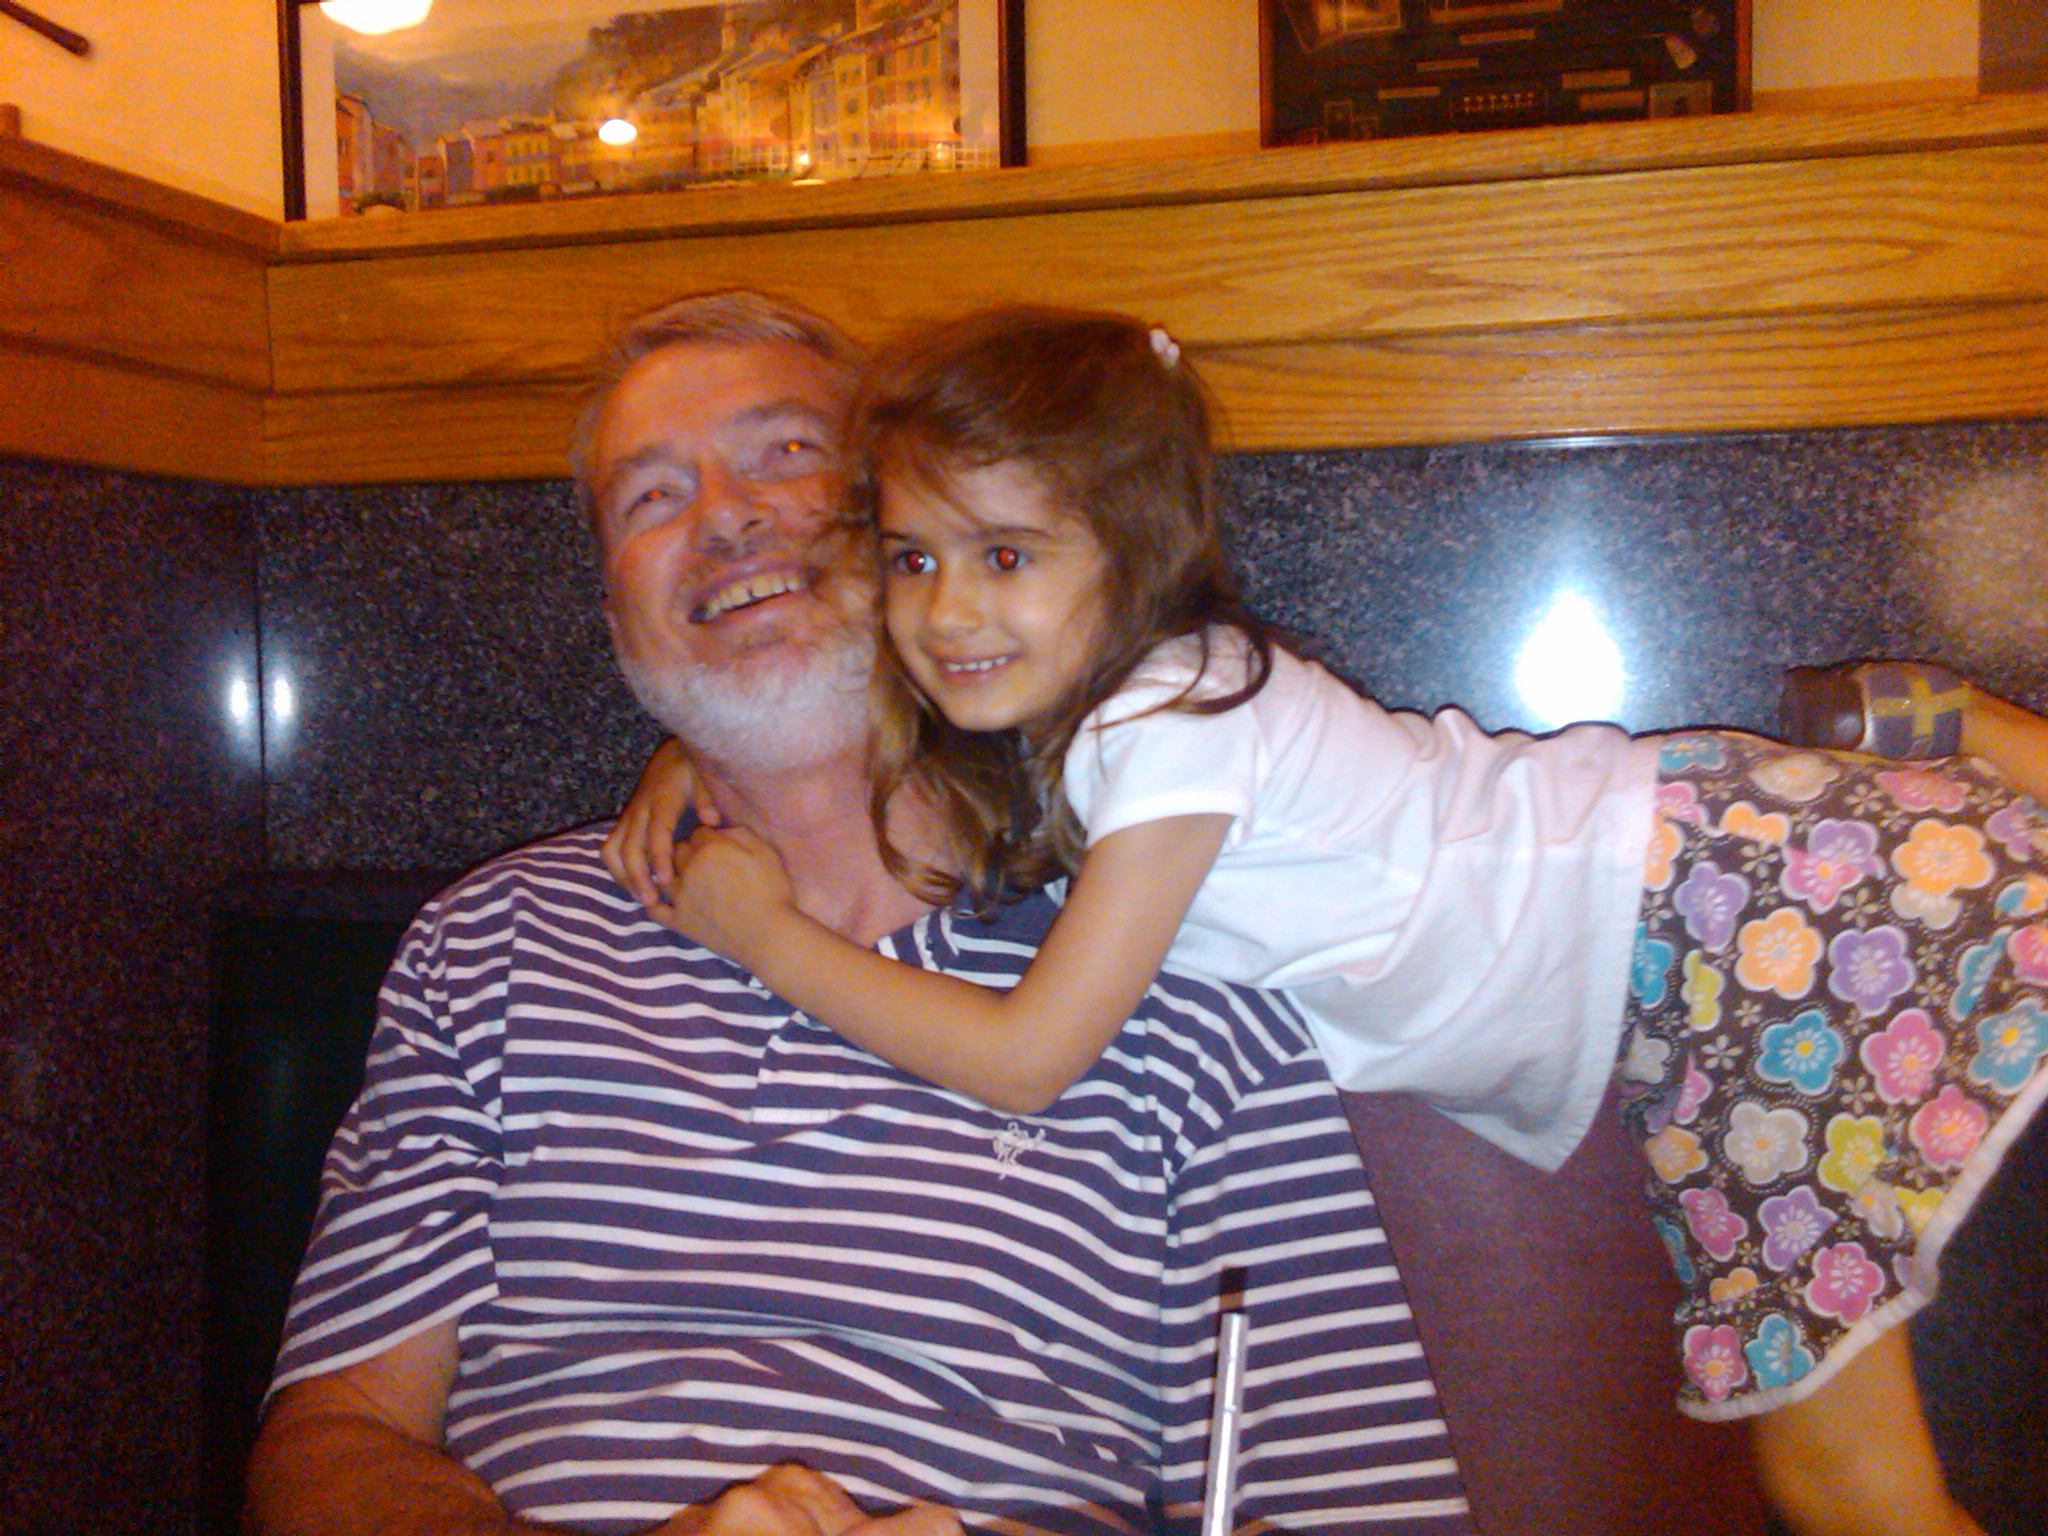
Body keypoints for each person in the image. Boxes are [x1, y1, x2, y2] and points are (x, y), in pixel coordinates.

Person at [610, 305, 2048, 1536]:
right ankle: (1940, 737)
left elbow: (1027, 1058)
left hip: (1724, 929)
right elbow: (846, 672)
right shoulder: (1125, 708)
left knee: (1848, 1486)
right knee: (1847, 1480)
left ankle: (1963, 741)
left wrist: (765, 938)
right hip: (1686, 922)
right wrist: (706, 749)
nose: (942, 612)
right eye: (913, 560)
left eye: (1003, 556)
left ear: (1131, 550)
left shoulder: (1169, 725)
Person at [242, 292, 1477, 1536]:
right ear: (612, 614)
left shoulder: (1189, 958)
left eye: (786, 451)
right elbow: (328, 1447)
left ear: (919, 525)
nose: (723, 516)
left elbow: (1356, 1509)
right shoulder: (489, 948)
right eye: (650, 497)